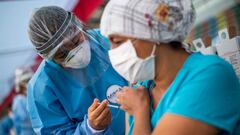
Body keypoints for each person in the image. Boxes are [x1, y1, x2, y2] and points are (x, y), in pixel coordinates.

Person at [100, 0, 240, 135]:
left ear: (153, 34)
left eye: (118, 42)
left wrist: (139, 112)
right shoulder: (140, 91)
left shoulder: (210, 75)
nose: (113, 52)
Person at [27, 6, 127, 135]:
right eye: (62, 54)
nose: (75, 53)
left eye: (76, 41)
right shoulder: (41, 89)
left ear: (78, 26)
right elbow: (54, 131)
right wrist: (90, 129)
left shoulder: (107, 39)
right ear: (47, 56)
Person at [12, 68, 36, 135]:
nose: (28, 82)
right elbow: (19, 122)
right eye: (26, 81)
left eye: (29, 79)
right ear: (21, 85)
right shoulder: (19, 101)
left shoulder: (35, 96)